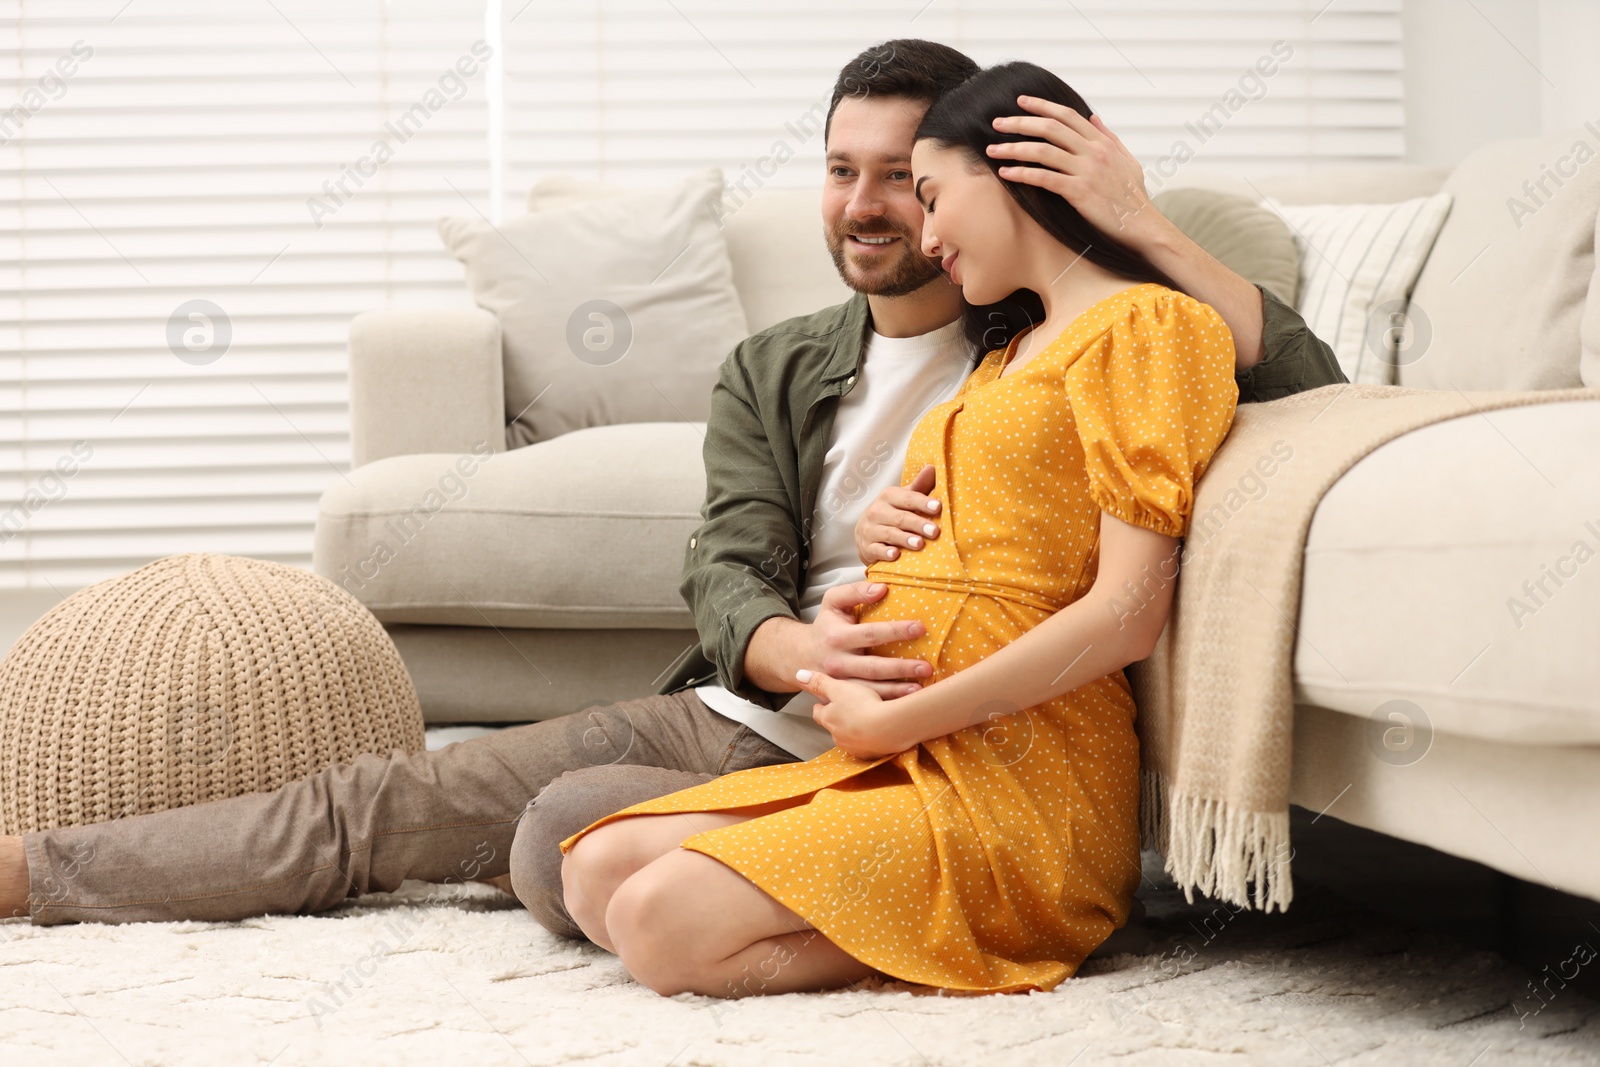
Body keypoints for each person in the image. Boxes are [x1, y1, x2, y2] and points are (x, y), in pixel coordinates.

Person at [0, 39, 1344, 933]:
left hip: (952, 733)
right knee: (398, 808)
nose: (873, 208)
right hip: (757, 710)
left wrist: (1143, 214)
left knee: (557, 849)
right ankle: (35, 872)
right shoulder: (773, 364)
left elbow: (1288, 372)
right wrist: (796, 645)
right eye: (841, 172)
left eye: (905, 177)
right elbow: (723, 564)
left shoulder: (1059, 330)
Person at [550, 57, 1241, 1000]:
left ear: (1009, 173)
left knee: (655, 924)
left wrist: (895, 719)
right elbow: (1015, 522)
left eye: (927, 191)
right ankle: (897, 914)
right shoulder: (1013, 351)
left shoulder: (1147, 326)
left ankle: (1033, 923)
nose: (922, 225)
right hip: (908, 750)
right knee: (593, 870)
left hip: (1019, 774)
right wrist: (890, 538)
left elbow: (1127, 611)